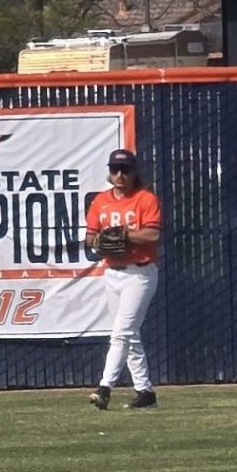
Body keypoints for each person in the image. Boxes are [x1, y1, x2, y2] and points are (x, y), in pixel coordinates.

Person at [85, 147, 162, 410]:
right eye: (115, 170)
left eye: (125, 170)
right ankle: (145, 391)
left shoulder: (145, 199)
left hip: (139, 273)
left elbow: (152, 235)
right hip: (113, 273)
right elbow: (90, 238)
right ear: (109, 173)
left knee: (121, 333)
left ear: (134, 172)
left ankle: (104, 388)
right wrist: (100, 242)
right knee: (131, 335)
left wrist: (125, 235)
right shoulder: (100, 202)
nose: (120, 175)